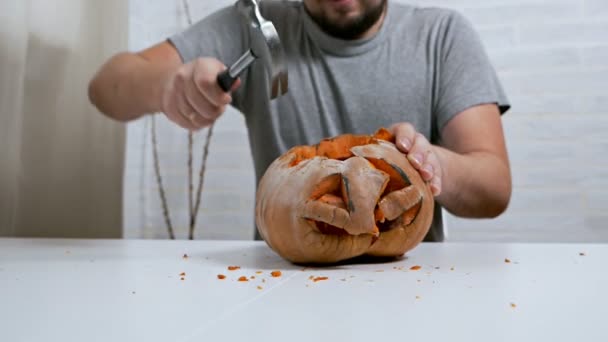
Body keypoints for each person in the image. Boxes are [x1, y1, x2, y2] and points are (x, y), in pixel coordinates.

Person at [88, 0, 512, 242]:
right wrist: (164, 87)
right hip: (280, 286)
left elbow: (494, 188)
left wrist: (429, 163)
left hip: (411, 287)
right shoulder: (255, 25)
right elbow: (106, 88)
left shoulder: (442, 35)